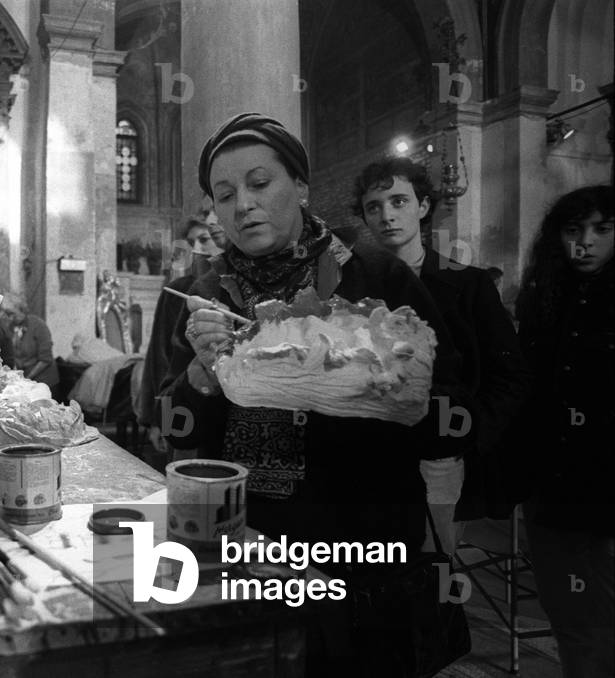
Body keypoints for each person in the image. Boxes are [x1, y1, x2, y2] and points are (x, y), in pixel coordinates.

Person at [158, 113, 469, 675]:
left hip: (362, 539)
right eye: (224, 195)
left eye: (259, 183)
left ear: (300, 187)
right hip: (251, 539)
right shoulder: (201, 295)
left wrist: (380, 389)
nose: (242, 205)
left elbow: (450, 401)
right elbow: (174, 427)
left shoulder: (375, 276)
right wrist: (202, 377)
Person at [353, 157, 530, 553]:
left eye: (398, 201)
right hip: (372, 456)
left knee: (433, 571)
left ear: (423, 206)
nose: (386, 215)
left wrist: (468, 436)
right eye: (374, 207)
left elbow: (510, 374)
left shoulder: (468, 284)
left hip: (439, 457)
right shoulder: (355, 291)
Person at [514, 185, 614, 678]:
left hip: (606, 492)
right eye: (574, 231)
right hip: (551, 489)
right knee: (573, 622)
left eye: (602, 229)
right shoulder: (544, 299)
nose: (586, 243)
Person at [139, 210, 225, 458]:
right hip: (183, 409)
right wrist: (157, 419)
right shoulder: (179, 290)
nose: (197, 248)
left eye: (205, 239)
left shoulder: (228, 287)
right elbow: (161, 358)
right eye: (192, 242)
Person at [0, 293, 59, 388]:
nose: (10, 318)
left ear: (22, 310)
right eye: (7, 314)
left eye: (12, 314)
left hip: (44, 380)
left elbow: (46, 359)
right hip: (26, 380)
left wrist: (27, 378)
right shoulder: (11, 327)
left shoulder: (38, 325)